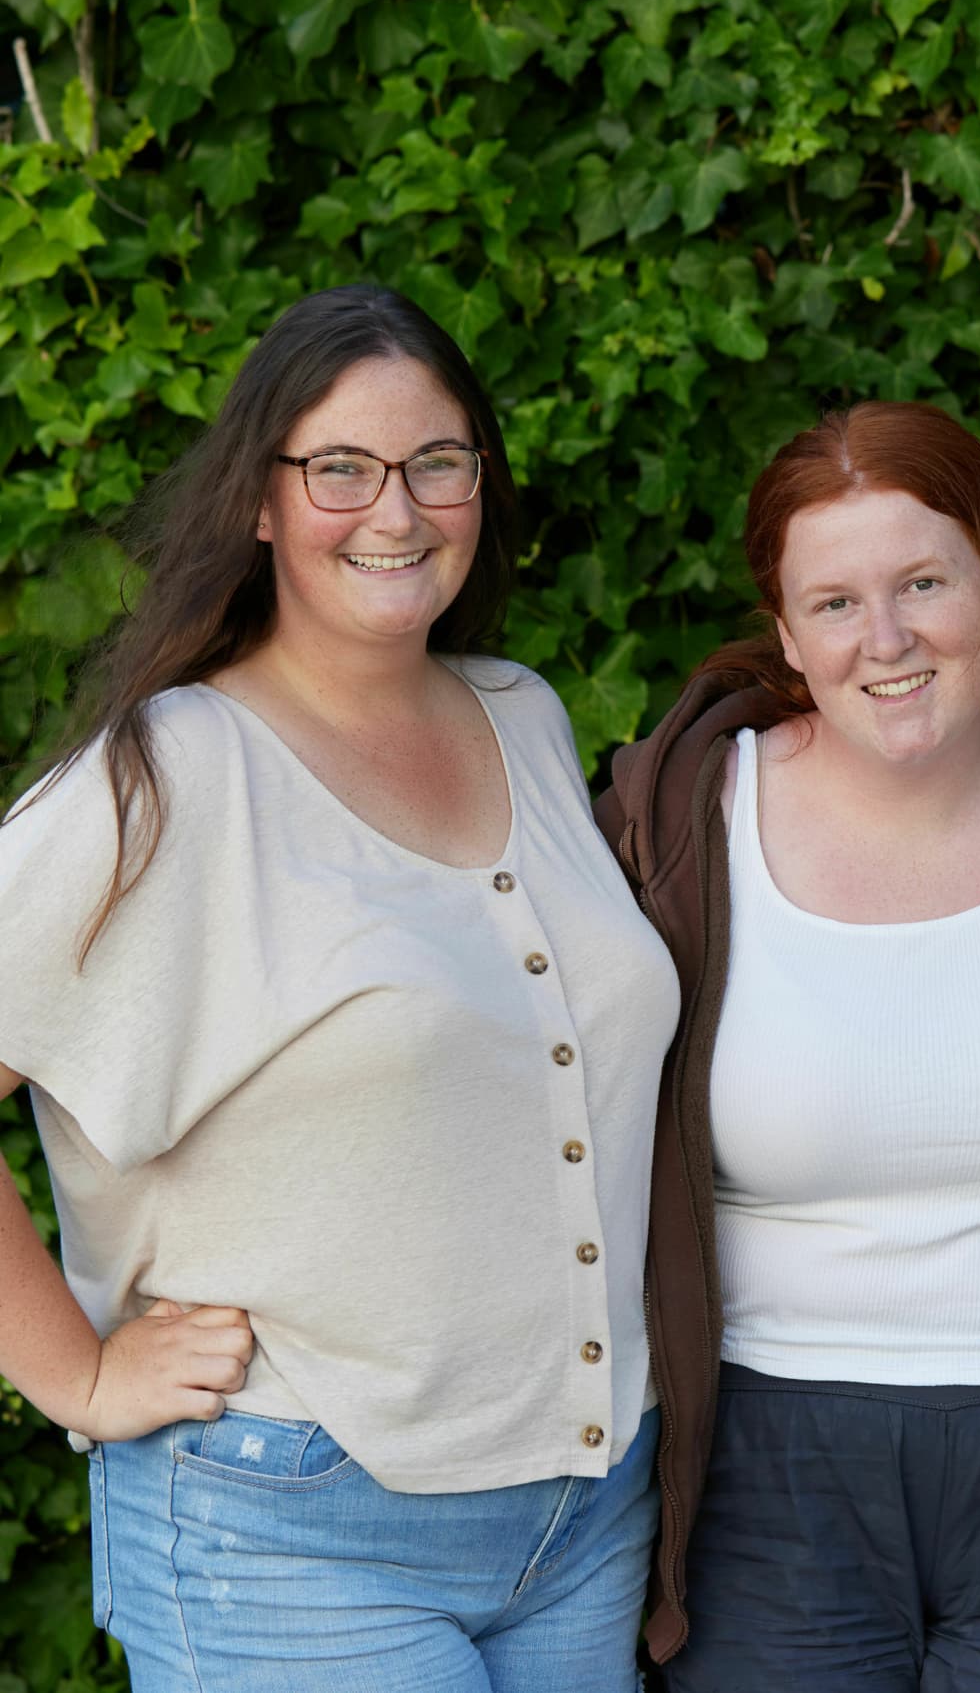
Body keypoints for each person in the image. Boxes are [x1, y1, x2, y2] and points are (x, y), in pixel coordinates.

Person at [0, 285, 680, 1692]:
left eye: (438, 462)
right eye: (342, 469)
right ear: (260, 499)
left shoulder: (526, 716)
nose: (399, 508)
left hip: (585, 1510)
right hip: (293, 1524)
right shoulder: (169, 775)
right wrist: (76, 1372)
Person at [595, 400, 980, 1692]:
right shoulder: (681, 828)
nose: (886, 640)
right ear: (785, 632)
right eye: (833, 602)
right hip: (767, 1464)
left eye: (922, 582)